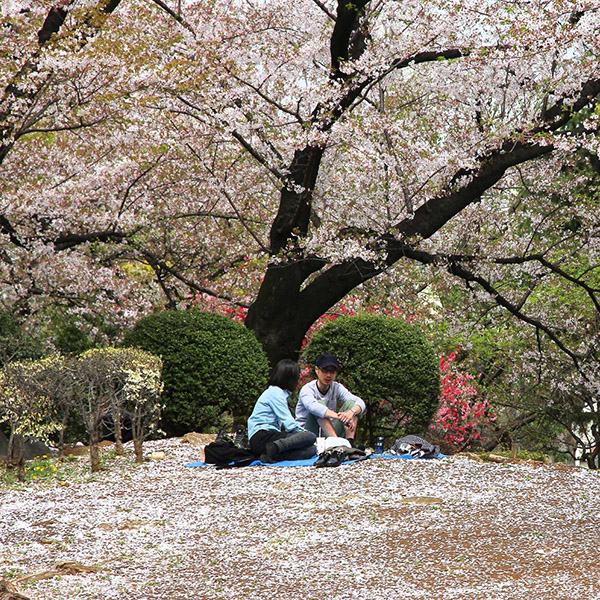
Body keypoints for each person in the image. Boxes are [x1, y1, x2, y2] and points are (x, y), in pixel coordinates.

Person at [248, 359, 317, 463]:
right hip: (262, 437)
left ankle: (271, 455)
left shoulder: (278, 393)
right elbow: (290, 425)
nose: (298, 381)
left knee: (311, 450)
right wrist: (306, 435)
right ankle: (276, 447)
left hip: (266, 439)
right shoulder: (276, 393)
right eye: (297, 378)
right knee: (310, 437)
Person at [295, 354, 366, 445]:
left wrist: (350, 413)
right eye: (325, 370)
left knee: (352, 405)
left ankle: (349, 443)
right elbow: (313, 407)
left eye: (332, 371)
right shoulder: (307, 389)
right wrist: (339, 416)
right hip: (306, 433)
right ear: (317, 370)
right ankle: (336, 445)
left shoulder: (336, 387)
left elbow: (360, 402)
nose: (328, 375)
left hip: (327, 432)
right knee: (319, 405)